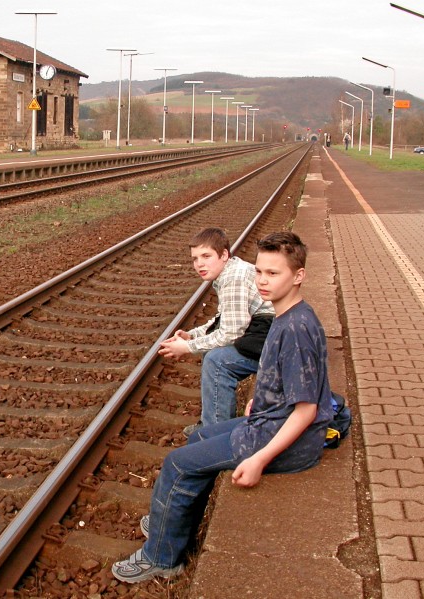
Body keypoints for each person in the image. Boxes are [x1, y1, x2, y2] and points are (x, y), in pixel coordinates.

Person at [111, 231, 334, 584]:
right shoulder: (286, 314)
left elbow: (306, 410)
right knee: (198, 439)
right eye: (259, 271)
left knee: (177, 464)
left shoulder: (296, 329)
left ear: (299, 275)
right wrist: (257, 401)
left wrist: (258, 459)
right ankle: (173, 518)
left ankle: (162, 557)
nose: (262, 280)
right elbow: (279, 377)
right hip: (267, 420)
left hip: (283, 440)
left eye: (273, 274)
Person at [158, 228, 274, 436]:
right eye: (195, 259)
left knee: (217, 360)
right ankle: (210, 422)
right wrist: (193, 335)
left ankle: (217, 433)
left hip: (273, 339)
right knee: (211, 351)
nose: (199, 264)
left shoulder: (233, 279)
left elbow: (231, 332)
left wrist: (186, 347)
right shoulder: (230, 271)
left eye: (206, 256)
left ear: (224, 255)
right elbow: (223, 318)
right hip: (264, 333)